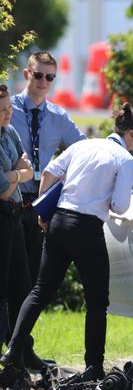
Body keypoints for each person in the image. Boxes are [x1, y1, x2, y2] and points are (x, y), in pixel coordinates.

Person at [0, 104, 133, 381]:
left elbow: (47, 173)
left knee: (40, 291)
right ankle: (94, 365)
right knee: (96, 301)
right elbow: (119, 205)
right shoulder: (124, 159)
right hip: (87, 229)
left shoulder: (84, 146)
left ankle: (13, 351)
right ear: (130, 134)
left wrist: (42, 211)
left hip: (59, 221)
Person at [11, 52, 85, 292]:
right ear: (27, 74)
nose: (44, 82)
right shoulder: (7, 109)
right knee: (9, 269)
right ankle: (6, 329)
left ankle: (21, 330)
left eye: (50, 77)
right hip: (11, 197)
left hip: (40, 202)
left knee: (33, 272)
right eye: (39, 75)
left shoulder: (59, 117)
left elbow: (83, 150)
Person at [0, 84, 34, 363]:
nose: (7, 114)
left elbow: (29, 168)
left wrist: (12, 175)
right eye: (1, 110)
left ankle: (21, 350)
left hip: (15, 213)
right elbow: (1, 191)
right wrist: (18, 174)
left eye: (9, 108)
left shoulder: (10, 133)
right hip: (1, 212)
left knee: (22, 285)